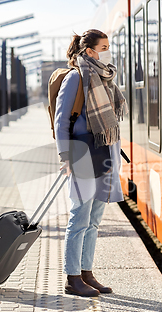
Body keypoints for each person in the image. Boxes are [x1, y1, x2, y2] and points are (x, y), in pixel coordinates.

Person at [54, 29, 128, 297]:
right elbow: (61, 120)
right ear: (89, 51)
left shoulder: (104, 77)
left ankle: (86, 273)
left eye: (108, 46)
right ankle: (72, 278)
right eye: (104, 47)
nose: (108, 51)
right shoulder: (75, 77)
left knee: (95, 219)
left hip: (104, 152)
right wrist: (65, 156)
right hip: (82, 153)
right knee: (80, 217)